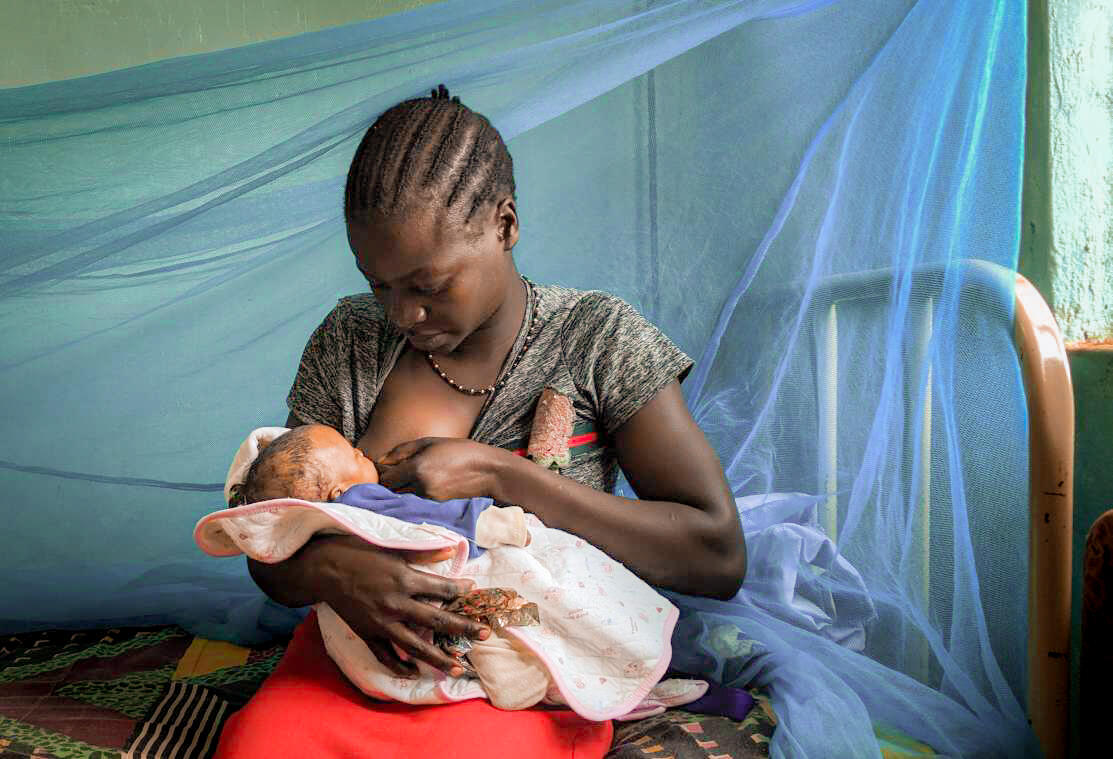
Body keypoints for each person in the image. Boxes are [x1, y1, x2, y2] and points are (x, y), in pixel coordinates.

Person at [213, 84, 746, 759]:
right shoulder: (349, 339)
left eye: (429, 286)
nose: (402, 315)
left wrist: (502, 475)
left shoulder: (595, 338)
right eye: (380, 285)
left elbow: (717, 555)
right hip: (353, 658)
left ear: (505, 224)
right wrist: (336, 573)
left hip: (514, 663)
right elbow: (269, 532)